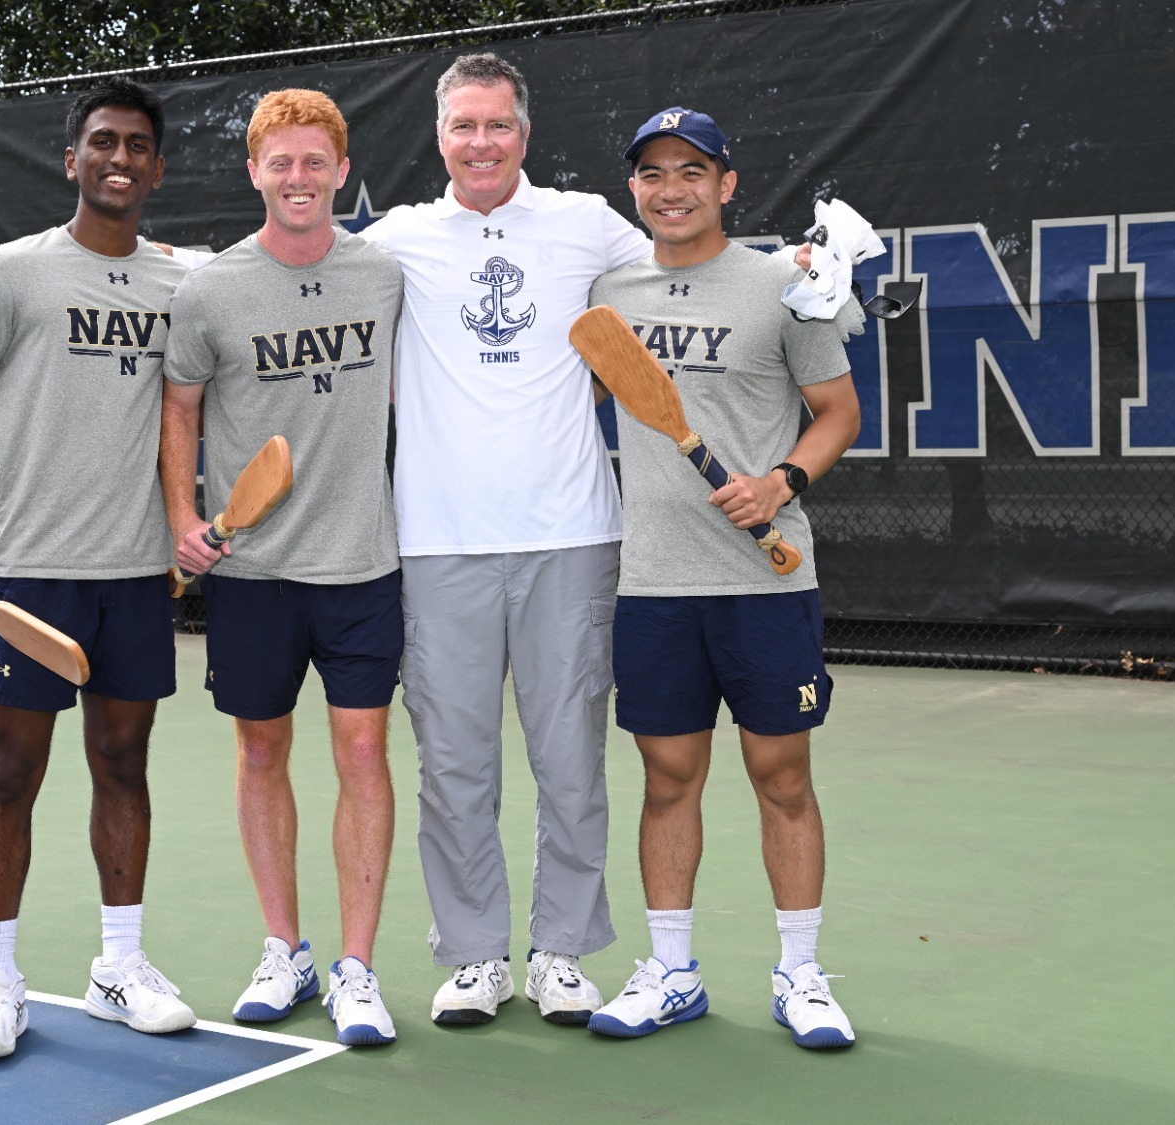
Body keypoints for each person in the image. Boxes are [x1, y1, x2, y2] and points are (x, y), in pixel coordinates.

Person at [358, 52, 649, 1026]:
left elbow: (687, 264)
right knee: (453, 766)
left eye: (496, 126)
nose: (479, 143)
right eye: (461, 127)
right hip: (437, 545)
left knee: (570, 757)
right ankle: (475, 955)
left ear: (523, 135)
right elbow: (287, 266)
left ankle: (560, 952)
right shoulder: (395, 238)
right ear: (439, 138)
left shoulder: (585, 224)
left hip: (570, 539)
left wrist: (802, 271)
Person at [0, 76, 195, 1060]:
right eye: (101, 142)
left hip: (135, 579)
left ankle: (119, 966)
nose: (119, 158)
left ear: (156, 168)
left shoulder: (181, 283)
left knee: (123, 764)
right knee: (10, 774)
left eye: (136, 147)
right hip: (31, 573)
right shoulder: (12, 272)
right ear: (71, 158)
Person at [581, 107, 863, 1049]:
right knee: (668, 778)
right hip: (655, 582)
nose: (673, 188)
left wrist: (781, 481)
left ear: (727, 184)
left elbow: (835, 412)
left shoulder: (783, 287)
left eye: (692, 171)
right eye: (654, 173)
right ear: (635, 188)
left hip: (768, 583)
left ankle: (801, 973)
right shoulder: (609, 290)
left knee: (781, 775)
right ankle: (671, 970)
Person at [159, 89, 406, 1047]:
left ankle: (356, 968)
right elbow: (180, 409)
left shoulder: (385, 272)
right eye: (280, 163)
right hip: (251, 572)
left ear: (342, 172)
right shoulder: (211, 289)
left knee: (359, 753)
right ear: (254, 172)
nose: (298, 179)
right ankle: (283, 948)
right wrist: (182, 517)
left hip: (360, 564)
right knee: (261, 750)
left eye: (315, 163)